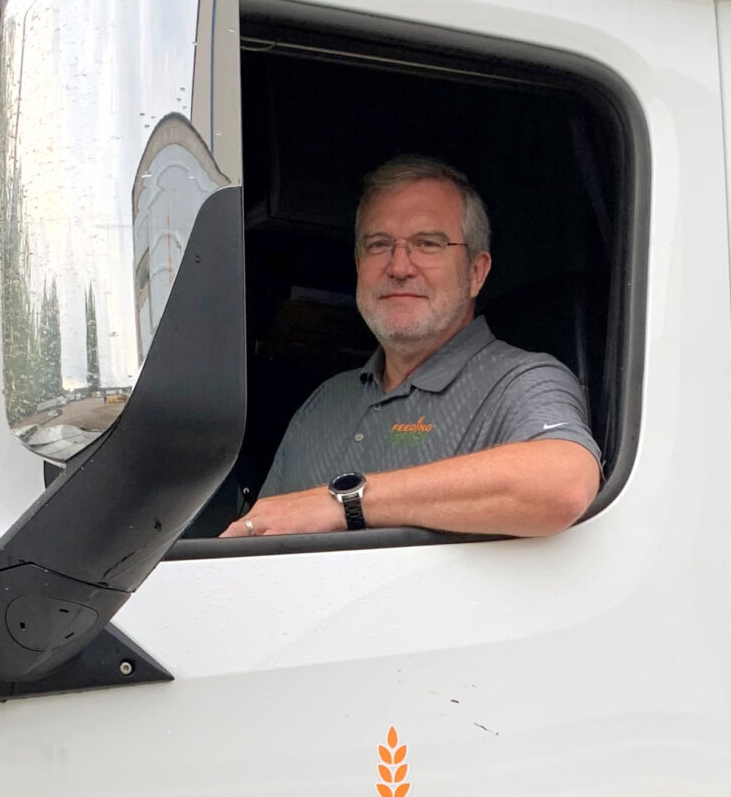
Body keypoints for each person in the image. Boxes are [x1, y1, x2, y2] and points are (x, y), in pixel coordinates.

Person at [227, 156, 601, 538]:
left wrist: (343, 502)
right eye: (378, 244)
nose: (400, 266)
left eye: (427, 243)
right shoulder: (323, 403)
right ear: (359, 266)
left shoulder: (520, 381)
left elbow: (564, 486)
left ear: (476, 272)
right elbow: (258, 537)